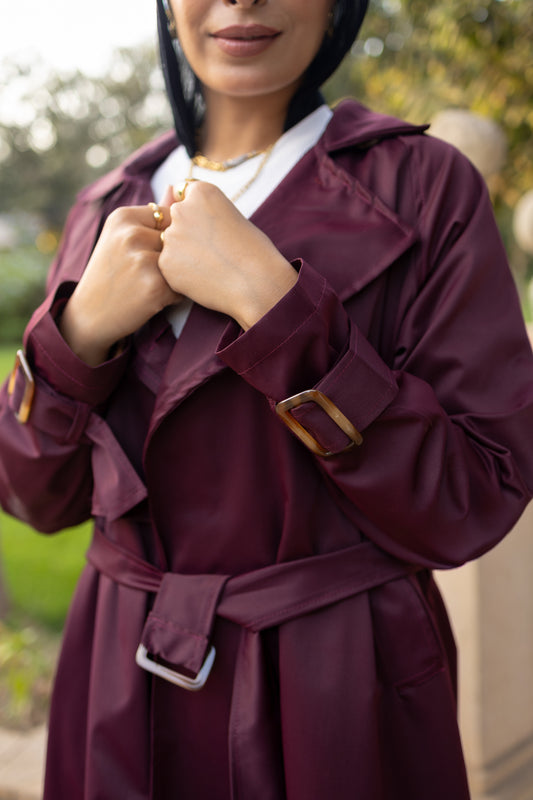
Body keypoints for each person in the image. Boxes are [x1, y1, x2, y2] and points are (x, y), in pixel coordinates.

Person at [1, 0, 532, 797]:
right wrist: (74, 336)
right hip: (117, 682)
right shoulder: (102, 206)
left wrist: (276, 306)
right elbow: (33, 496)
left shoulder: (421, 186)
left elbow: (472, 495)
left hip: (339, 685)